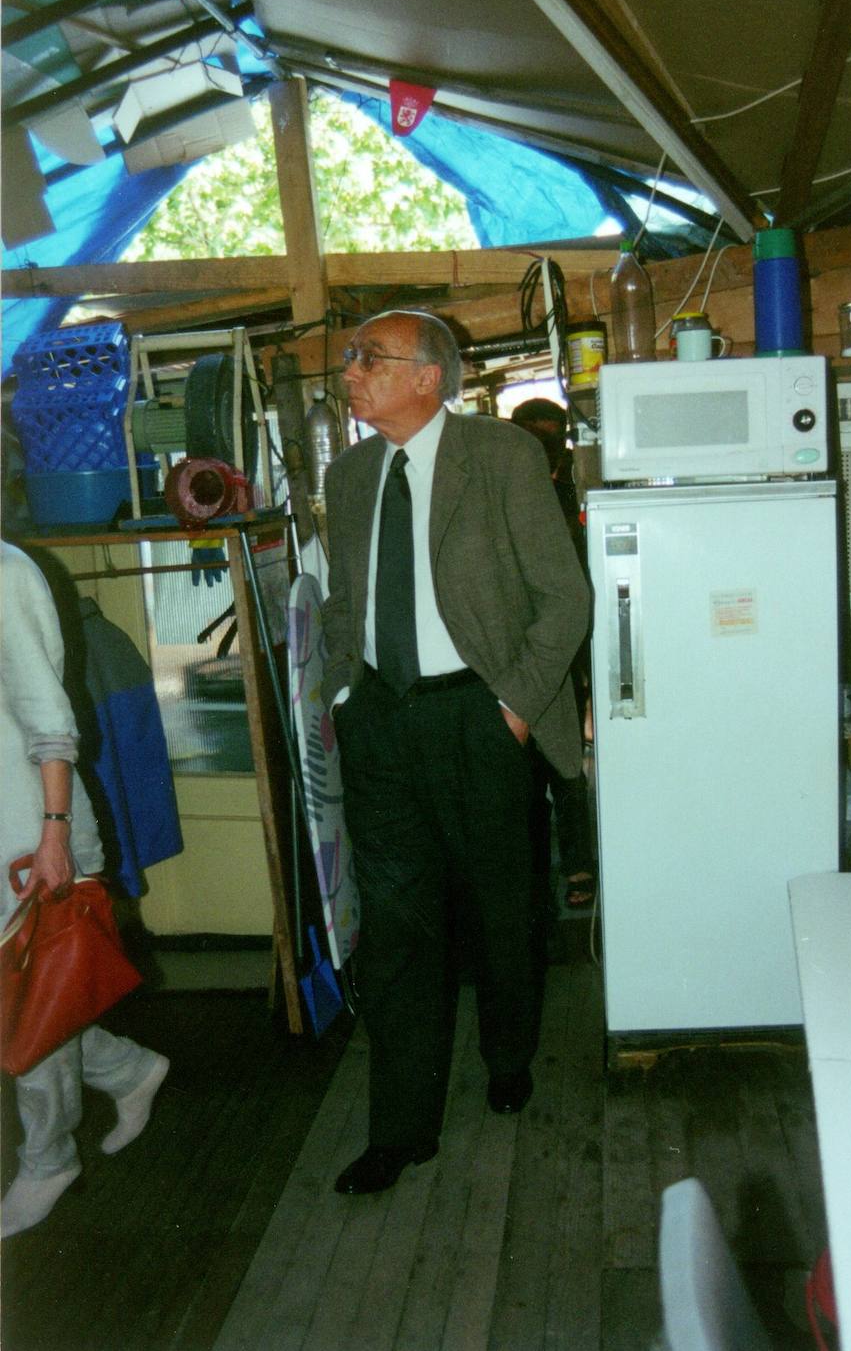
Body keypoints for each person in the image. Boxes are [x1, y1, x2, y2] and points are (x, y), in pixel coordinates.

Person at [322, 310, 589, 1195]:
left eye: (369, 359)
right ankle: (401, 1131)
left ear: (430, 376)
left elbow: (564, 597)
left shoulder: (500, 456)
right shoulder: (351, 473)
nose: (350, 372)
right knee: (398, 932)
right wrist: (340, 695)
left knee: (500, 911)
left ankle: (507, 1056)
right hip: (382, 722)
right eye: (350, 358)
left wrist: (513, 706)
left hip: (479, 714)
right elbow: (342, 602)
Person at [0, 540, 169, 1239]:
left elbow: (49, 719)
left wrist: (56, 834)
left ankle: (47, 1158)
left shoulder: (4, 574)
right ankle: (126, 1069)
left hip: (24, 827)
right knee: (23, 1002)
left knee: (25, 998)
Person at [510, 398, 596, 909]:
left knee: (564, 763)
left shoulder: (568, 491)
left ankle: (579, 865)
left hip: (562, 647)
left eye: (548, 438)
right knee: (523, 774)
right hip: (511, 652)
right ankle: (537, 875)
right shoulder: (499, 489)